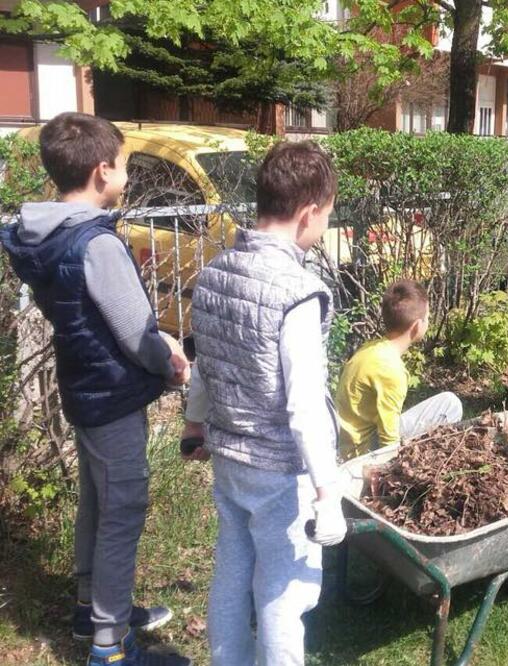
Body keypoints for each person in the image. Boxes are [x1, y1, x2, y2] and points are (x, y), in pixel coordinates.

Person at [0, 113, 191, 666]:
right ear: (102, 170)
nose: (128, 174)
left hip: (82, 384)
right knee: (123, 509)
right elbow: (135, 332)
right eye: (126, 164)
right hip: (110, 393)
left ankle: (91, 605)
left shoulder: (47, 233)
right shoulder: (95, 243)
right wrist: (169, 362)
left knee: (96, 496)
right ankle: (110, 646)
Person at [184, 140, 348, 665]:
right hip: (280, 472)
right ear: (307, 214)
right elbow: (303, 405)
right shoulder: (297, 291)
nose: (324, 225)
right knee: (284, 594)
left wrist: (193, 425)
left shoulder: (215, 272)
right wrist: (327, 492)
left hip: (230, 458)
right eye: (326, 215)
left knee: (232, 577)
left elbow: (207, 363)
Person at [335, 279, 463, 460]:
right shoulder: (391, 370)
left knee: (448, 402)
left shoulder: (372, 348)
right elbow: (388, 438)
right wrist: (391, 470)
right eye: (427, 317)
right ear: (417, 326)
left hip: (347, 444)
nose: (428, 321)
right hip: (362, 454)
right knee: (451, 405)